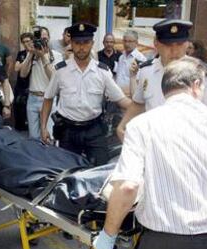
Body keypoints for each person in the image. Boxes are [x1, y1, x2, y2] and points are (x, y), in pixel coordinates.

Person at [93, 57, 207, 249]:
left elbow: (128, 186)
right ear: (196, 85)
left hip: (167, 246)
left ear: (165, 91)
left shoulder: (143, 125)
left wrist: (108, 235)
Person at [40, 22, 130, 166]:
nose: (81, 47)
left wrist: (143, 108)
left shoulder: (102, 72)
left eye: (86, 42)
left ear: (92, 43)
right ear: (71, 43)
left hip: (94, 130)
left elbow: (121, 100)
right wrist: (43, 128)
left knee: (100, 170)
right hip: (68, 131)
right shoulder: (61, 71)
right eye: (77, 43)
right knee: (67, 173)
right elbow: (48, 98)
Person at [117, 19, 207, 141]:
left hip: (186, 146)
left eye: (179, 44)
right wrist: (122, 125)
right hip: (154, 142)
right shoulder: (147, 71)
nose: (175, 51)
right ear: (156, 44)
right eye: (168, 45)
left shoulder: (201, 73)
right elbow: (138, 103)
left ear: (187, 44)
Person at [20, 26, 63, 139]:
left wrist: (43, 57)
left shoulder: (57, 56)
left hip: (48, 99)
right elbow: (23, 74)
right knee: (33, 137)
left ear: (48, 39)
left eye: (44, 38)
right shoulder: (31, 55)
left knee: (48, 136)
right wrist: (30, 54)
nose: (42, 41)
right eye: (39, 39)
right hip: (33, 98)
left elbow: (54, 78)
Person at [115, 30, 146, 97]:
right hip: (118, 97)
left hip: (131, 97)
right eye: (125, 41)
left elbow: (139, 83)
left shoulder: (140, 59)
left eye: (130, 41)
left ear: (136, 43)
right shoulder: (121, 57)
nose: (126, 44)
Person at [13, 32, 34, 131]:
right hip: (20, 86)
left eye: (28, 41)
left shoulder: (36, 53)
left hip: (31, 86)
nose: (26, 44)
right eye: (24, 42)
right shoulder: (21, 54)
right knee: (19, 111)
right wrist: (26, 60)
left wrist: (23, 64)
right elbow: (16, 68)